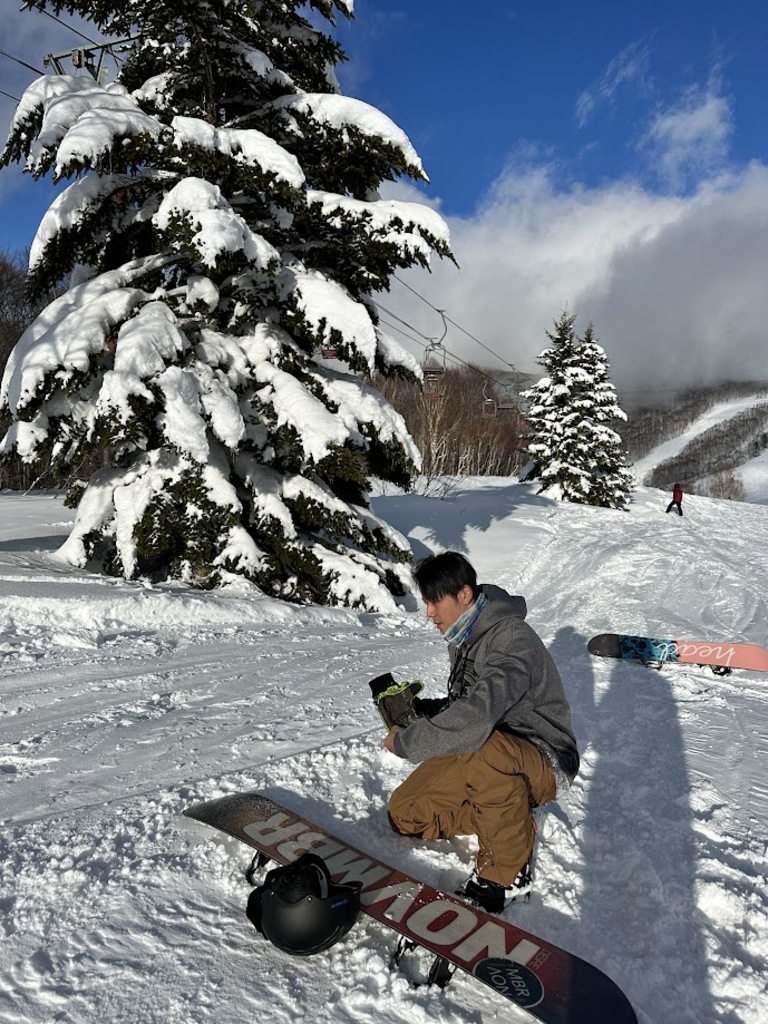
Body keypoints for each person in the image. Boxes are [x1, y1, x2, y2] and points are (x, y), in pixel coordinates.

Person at [382, 551, 579, 913]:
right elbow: (467, 704)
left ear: (465, 595)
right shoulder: (465, 637)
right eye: (425, 602)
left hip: (543, 757)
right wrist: (422, 713)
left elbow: (478, 714)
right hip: (489, 749)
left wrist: (408, 743)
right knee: (404, 812)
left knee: (485, 751)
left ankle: (505, 876)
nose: (429, 613)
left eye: (434, 602)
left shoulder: (512, 638)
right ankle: (510, 818)